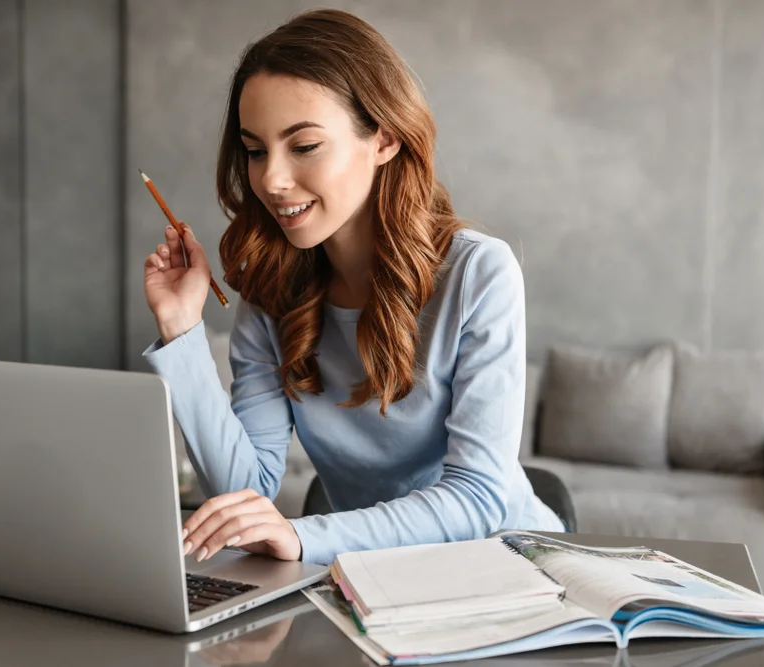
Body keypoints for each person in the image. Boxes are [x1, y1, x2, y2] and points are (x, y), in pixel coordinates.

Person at [142, 8, 564, 567]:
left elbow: (477, 497)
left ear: (384, 139)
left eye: (304, 145)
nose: (270, 179)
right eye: (255, 149)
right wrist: (182, 328)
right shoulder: (271, 287)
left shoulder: (478, 274)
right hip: (367, 580)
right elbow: (246, 489)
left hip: (508, 567)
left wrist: (304, 539)